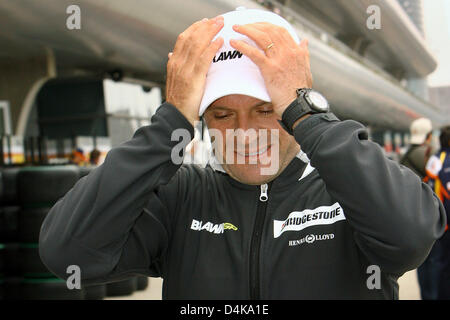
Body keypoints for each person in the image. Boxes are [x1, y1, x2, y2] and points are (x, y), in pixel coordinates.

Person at [39, 8, 446, 299]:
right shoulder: (183, 196)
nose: (244, 131)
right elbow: (68, 253)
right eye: (221, 114)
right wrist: (168, 124)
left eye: (266, 110)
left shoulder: (348, 193)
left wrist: (310, 115)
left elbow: (411, 237)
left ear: (295, 111)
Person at [423, 126, 450, 299]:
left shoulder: (434, 159)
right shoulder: (442, 159)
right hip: (445, 224)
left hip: (438, 221)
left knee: (438, 265)